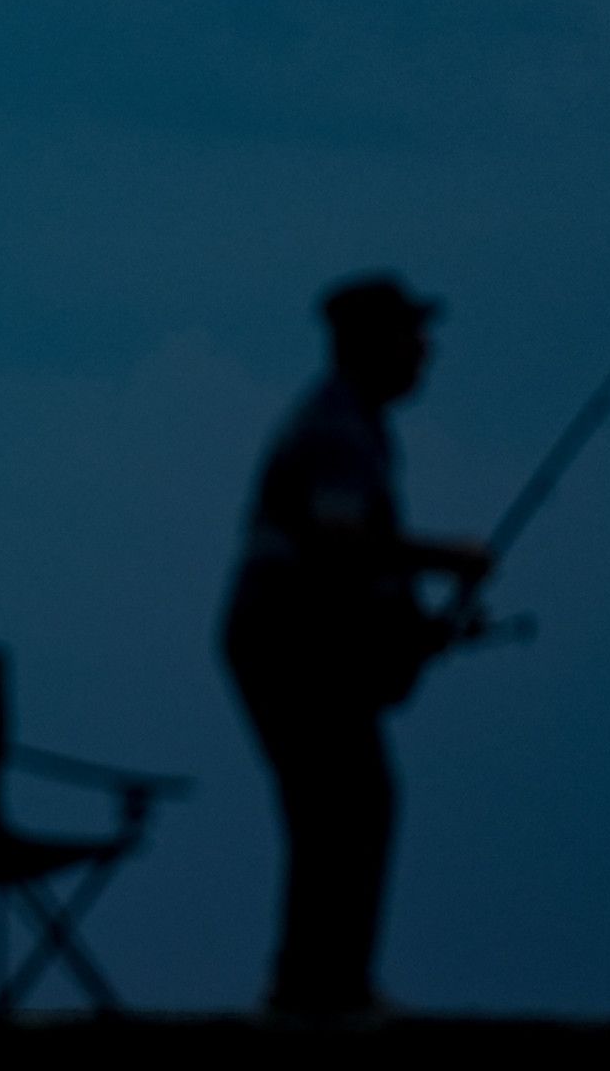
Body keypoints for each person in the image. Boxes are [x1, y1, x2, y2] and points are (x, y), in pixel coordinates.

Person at [219, 272, 494, 1019]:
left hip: (301, 645)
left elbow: (356, 575)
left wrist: (413, 632)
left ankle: (318, 982)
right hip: (286, 646)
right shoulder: (338, 431)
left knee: (341, 804)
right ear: (374, 344)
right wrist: (447, 559)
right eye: (412, 335)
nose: (426, 352)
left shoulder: (358, 429)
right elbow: (343, 545)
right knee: (346, 802)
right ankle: (320, 987)